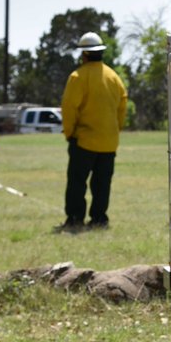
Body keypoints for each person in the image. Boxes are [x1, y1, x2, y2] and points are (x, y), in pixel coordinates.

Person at [58, 32, 128, 232]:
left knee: (77, 183)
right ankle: (99, 219)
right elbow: (122, 107)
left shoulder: (77, 77)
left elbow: (69, 107)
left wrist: (69, 133)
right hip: (109, 141)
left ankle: (75, 218)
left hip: (84, 140)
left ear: (84, 54)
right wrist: (115, 130)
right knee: (102, 184)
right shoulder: (114, 77)